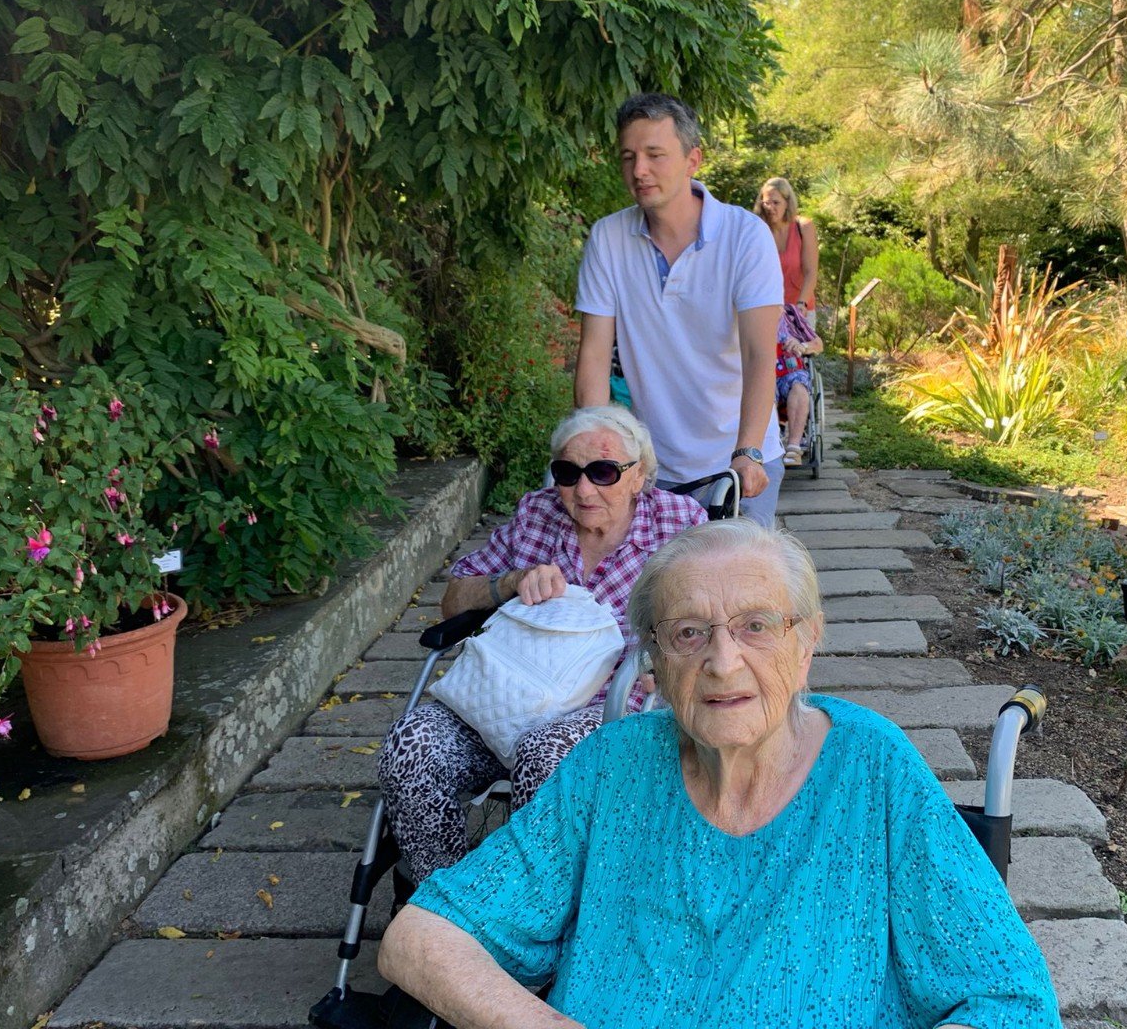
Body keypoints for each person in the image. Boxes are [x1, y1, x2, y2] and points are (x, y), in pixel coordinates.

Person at [379, 519, 1063, 1029]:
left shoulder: (872, 769)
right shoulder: (608, 768)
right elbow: (422, 935)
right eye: (688, 633)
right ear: (654, 660)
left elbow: (1012, 1001)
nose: (723, 662)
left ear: (807, 642)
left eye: (756, 626)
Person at [375, 406, 705, 888]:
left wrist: (676, 663)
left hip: (611, 708)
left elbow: (715, 614)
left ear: (639, 476)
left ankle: (541, 907)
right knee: (412, 741)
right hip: (501, 701)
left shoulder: (677, 523)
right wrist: (512, 581)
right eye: (568, 473)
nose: (583, 490)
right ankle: (444, 897)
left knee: (544, 754)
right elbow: (453, 599)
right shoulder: (537, 513)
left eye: (603, 472)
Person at [575, 93, 785, 528]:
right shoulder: (608, 238)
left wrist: (748, 452)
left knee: (738, 572)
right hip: (649, 467)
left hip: (738, 465)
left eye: (655, 155)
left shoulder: (746, 236)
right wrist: (593, 455)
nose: (639, 170)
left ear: (693, 160)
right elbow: (594, 356)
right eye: (628, 157)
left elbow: (759, 355)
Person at [756, 176, 819, 313]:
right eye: (766, 203)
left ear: (787, 203)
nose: (770, 208)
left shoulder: (804, 227)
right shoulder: (758, 231)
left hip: (800, 309)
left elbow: (811, 272)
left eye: (776, 202)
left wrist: (801, 304)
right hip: (768, 310)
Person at [777, 302, 823, 467]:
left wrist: (802, 346)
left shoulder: (790, 313)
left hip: (791, 369)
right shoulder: (748, 313)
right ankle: (768, 445)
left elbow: (818, 344)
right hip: (761, 371)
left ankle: (793, 448)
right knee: (762, 392)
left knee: (799, 387)